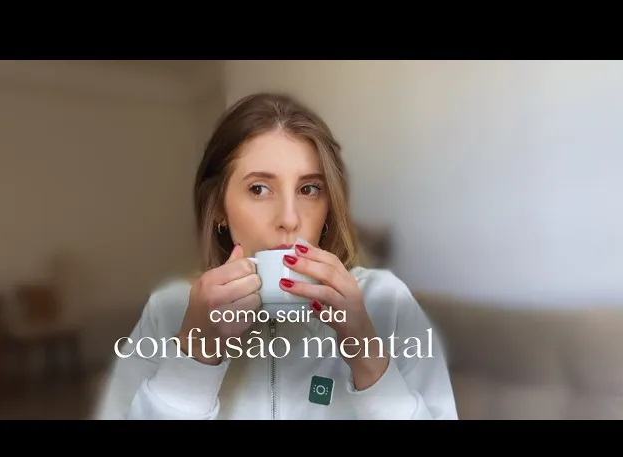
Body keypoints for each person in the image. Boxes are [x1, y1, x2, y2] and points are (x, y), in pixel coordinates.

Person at [92, 92, 458, 420]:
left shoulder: (386, 302)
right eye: (259, 188)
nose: (289, 218)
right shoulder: (168, 310)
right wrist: (194, 356)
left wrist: (366, 355)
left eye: (309, 189)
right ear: (218, 208)